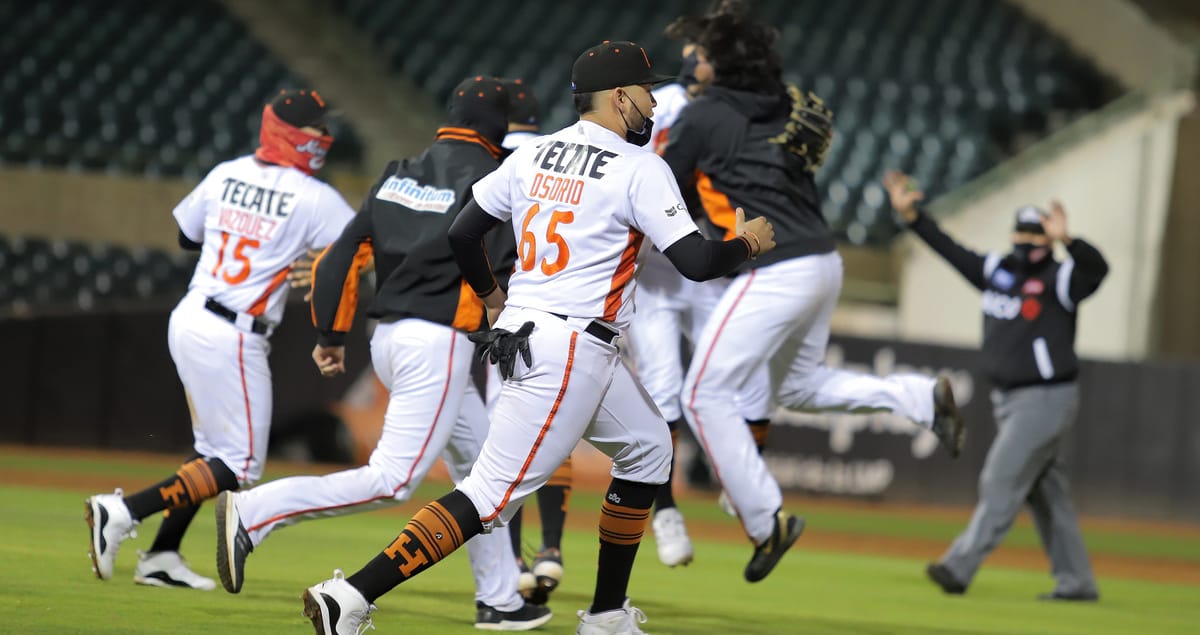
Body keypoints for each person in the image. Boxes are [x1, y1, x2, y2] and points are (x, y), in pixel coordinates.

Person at [297, 40, 776, 635]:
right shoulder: (638, 166)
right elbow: (699, 262)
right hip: (571, 347)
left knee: (650, 448)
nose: (654, 103)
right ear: (621, 96)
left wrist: (495, 299)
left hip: (540, 334)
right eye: (648, 92)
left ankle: (606, 615)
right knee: (489, 498)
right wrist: (749, 241)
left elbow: (463, 233)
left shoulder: (534, 154)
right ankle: (350, 596)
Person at [214, 76, 551, 631]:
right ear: (496, 126)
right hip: (437, 341)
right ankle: (254, 512)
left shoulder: (400, 171)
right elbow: (503, 260)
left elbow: (338, 257)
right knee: (392, 480)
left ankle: (500, 601)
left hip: (389, 339)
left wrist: (330, 335)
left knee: (486, 469)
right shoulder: (492, 179)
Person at [659, 11, 967, 581]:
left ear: (721, 60)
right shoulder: (782, 102)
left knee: (702, 394)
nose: (693, 60)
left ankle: (763, 520)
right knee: (799, 386)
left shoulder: (702, 115)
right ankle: (921, 398)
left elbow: (660, 190)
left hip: (776, 268)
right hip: (824, 260)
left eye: (702, 51)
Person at [84, 89, 356, 589]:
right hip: (232, 330)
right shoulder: (314, 196)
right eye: (316, 127)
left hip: (193, 313)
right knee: (240, 466)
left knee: (214, 453)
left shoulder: (228, 172)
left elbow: (187, 236)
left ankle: (161, 556)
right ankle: (123, 510)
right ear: (291, 132)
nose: (324, 135)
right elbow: (359, 251)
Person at [884, 170, 1107, 601]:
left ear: (1048, 237)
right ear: (1012, 234)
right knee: (1048, 495)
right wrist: (913, 217)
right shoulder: (996, 270)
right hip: (1010, 399)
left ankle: (958, 566)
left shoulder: (1062, 279)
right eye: (1022, 232)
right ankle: (1077, 580)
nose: (1027, 240)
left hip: (1046, 398)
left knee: (999, 479)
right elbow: (951, 251)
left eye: (1036, 233)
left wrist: (1070, 241)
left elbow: (1098, 271)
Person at [495, 78, 572, 604]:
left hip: (504, 315)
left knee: (505, 447)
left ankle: (513, 563)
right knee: (556, 435)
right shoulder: (555, 156)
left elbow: (464, 231)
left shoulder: (497, 161)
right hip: (572, 315)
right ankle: (551, 550)